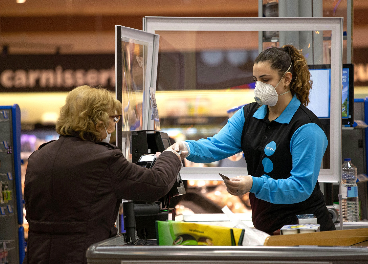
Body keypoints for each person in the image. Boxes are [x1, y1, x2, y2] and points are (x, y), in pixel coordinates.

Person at [171, 45, 335, 235]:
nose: (259, 87)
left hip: (304, 232)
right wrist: (186, 148)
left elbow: (300, 187)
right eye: (256, 80)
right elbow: (217, 146)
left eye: (265, 80)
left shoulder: (306, 128)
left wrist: (253, 184)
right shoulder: (249, 114)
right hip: (267, 228)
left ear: (287, 80)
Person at [23, 85, 182, 264]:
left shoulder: (38, 156)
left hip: (38, 255)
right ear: (97, 120)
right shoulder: (104, 158)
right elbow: (156, 183)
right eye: (113, 119)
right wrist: (171, 155)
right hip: (84, 254)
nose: (114, 126)